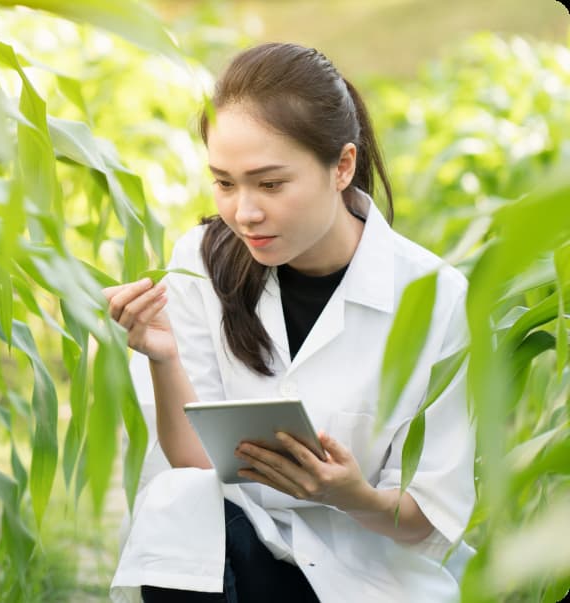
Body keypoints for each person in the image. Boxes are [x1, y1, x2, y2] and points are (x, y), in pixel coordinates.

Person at [104, 43, 476, 603]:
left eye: (270, 184)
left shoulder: (435, 297)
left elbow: (428, 515)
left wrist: (350, 494)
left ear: (342, 166)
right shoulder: (199, 261)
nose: (244, 212)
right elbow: (194, 464)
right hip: (231, 555)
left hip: (361, 571)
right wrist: (164, 356)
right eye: (225, 183)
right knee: (175, 504)